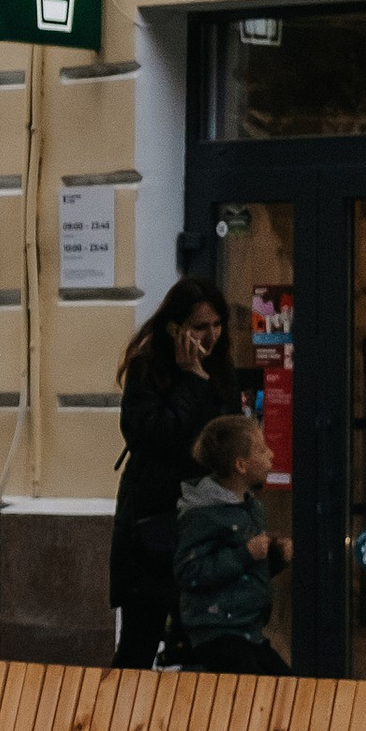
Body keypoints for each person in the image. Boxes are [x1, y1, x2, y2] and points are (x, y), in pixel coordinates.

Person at [111, 277, 234, 669]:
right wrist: (190, 379)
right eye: (200, 326)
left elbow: (226, 438)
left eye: (217, 324)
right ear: (174, 328)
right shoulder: (148, 368)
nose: (211, 335)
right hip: (154, 526)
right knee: (139, 642)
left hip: (203, 524)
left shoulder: (219, 368)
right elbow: (154, 436)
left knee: (201, 646)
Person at [174, 411, 290, 674]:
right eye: (261, 450)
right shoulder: (203, 514)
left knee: (286, 687)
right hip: (217, 631)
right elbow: (190, 572)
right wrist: (245, 554)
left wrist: (275, 557)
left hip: (248, 630)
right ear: (241, 465)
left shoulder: (252, 509)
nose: (271, 455)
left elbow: (246, 574)